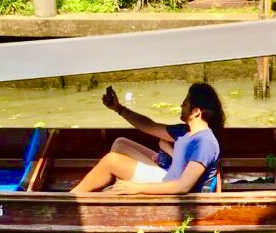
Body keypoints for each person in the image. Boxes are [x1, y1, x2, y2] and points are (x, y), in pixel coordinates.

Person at [71, 83, 224, 195]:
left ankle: (71, 198)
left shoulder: (205, 143)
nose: (181, 105)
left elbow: (183, 186)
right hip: (168, 175)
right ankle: (114, 186)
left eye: (185, 102)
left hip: (170, 188)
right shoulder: (184, 131)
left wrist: (137, 188)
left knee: (112, 160)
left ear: (196, 112)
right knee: (120, 143)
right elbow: (148, 126)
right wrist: (119, 108)